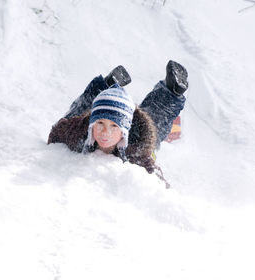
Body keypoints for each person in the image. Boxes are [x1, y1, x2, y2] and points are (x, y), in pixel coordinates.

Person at [48, 61, 188, 187]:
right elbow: (58, 133)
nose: (105, 132)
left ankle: (171, 92)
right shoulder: (77, 133)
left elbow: (159, 188)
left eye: (113, 127)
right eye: (100, 124)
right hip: (99, 118)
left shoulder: (137, 153)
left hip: (132, 133)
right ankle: (106, 86)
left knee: (154, 124)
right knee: (80, 111)